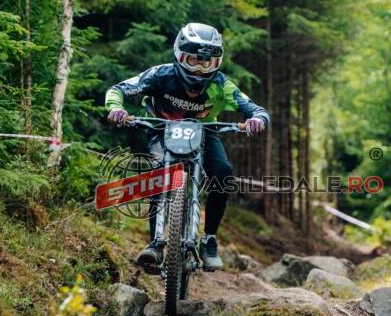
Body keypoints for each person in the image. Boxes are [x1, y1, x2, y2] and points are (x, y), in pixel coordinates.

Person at [105, 22, 270, 272]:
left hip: (204, 131)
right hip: (162, 129)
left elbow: (256, 109)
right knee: (158, 174)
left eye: (207, 62)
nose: (200, 68)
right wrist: (116, 108)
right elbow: (118, 89)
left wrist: (257, 120)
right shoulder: (160, 75)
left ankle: (209, 240)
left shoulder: (222, 85)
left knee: (223, 174)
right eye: (194, 61)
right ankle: (155, 243)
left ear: (217, 62)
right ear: (180, 56)